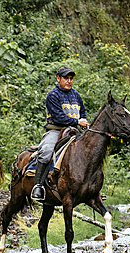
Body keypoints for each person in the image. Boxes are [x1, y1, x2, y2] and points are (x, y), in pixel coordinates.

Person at [31, 66, 89, 201]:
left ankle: (89, 188)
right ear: (58, 79)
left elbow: (83, 112)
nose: (69, 81)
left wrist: (83, 121)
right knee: (46, 152)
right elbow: (58, 117)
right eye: (66, 78)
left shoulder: (76, 95)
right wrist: (78, 121)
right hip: (56, 130)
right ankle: (38, 186)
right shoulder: (53, 95)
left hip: (74, 131)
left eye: (71, 78)